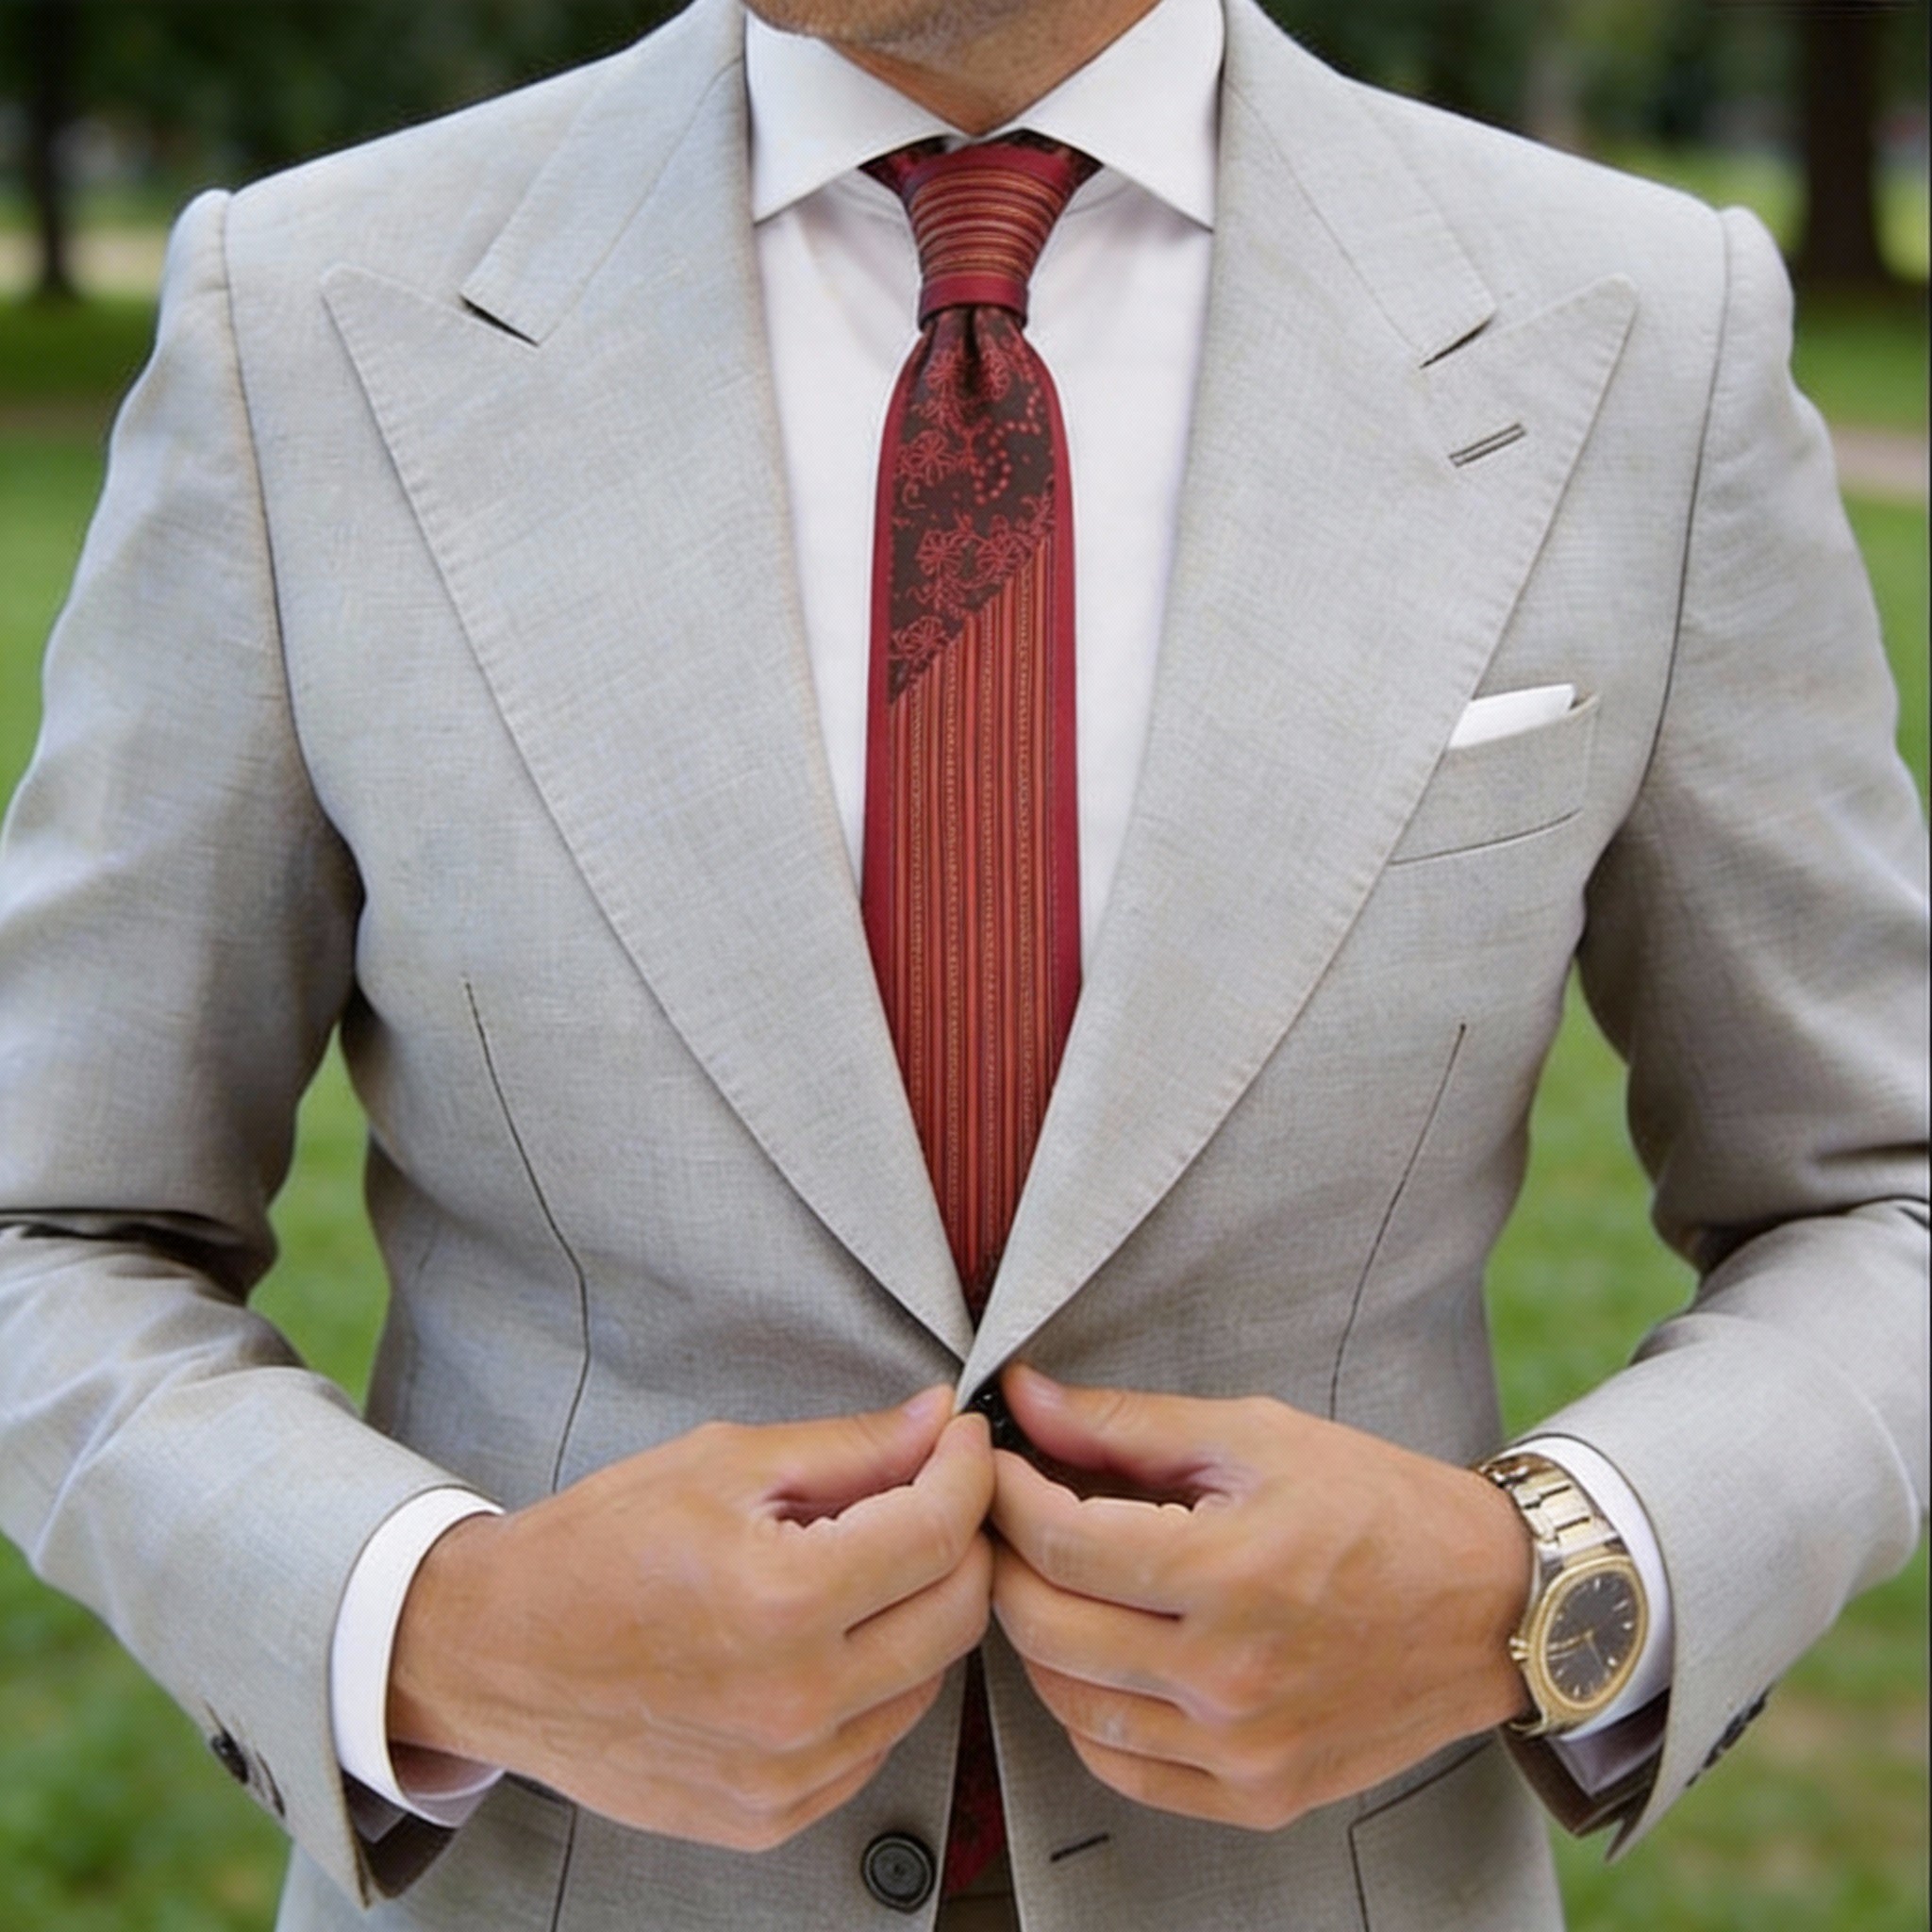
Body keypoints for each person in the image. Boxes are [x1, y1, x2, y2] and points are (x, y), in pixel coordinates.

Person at [0, 0, 1924, 1925]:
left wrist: (1542, 1584)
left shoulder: (1640, 331)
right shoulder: (310, 312)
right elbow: (51, 1226)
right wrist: (441, 1625)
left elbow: (1876, 1199)